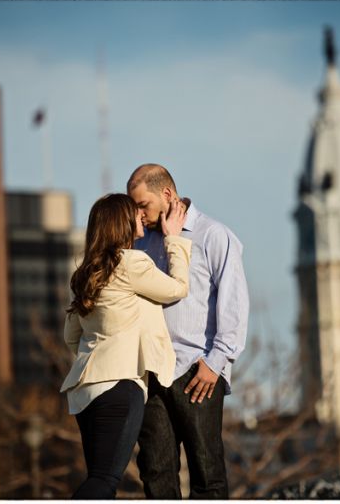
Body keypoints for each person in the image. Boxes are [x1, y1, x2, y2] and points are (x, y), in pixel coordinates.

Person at [127, 164, 249, 498]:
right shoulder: (140, 244)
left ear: (167, 194)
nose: (138, 213)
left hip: (197, 373)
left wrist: (216, 363)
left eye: (142, 205)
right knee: (155, 472)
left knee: (206, 473)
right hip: (152, 373)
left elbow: (234, 304)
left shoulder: (214, 235)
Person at [59, 193, 191, 499]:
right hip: (120, 387)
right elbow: (177, 288)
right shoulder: (132, 263)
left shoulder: (86, 273)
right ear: (121, 222)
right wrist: (173, 239)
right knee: (105, 481)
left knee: (98, 479)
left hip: (86, 392)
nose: (142, 217)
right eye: (136, 214)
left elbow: (71, 337)